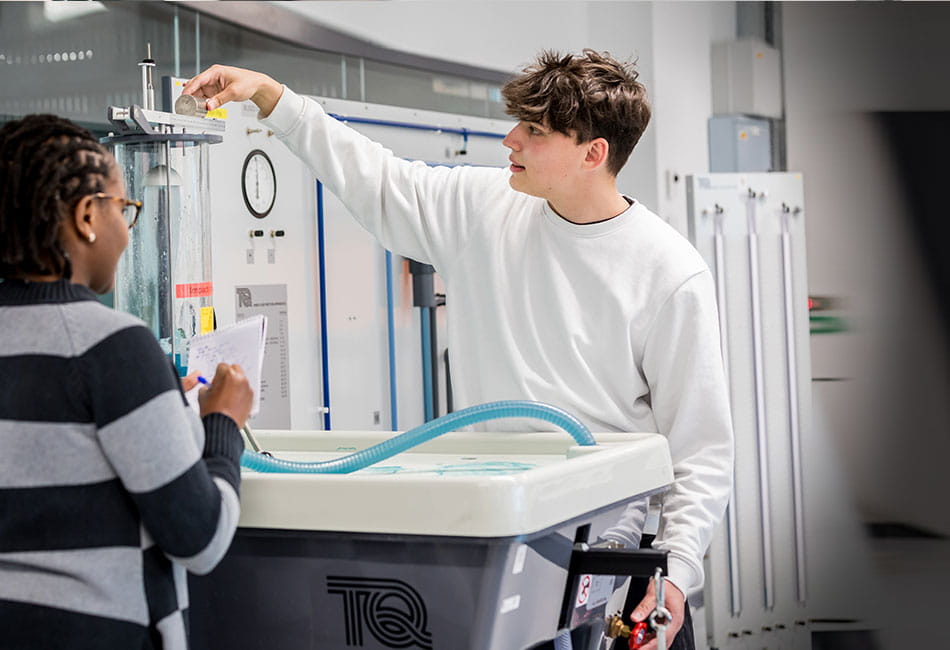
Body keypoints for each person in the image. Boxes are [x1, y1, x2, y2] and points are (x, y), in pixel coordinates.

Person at [183, 49, 733, 649]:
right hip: (506, 539)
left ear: (593, 153)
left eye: (535, 131)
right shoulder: (483, 208)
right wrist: (271, 97)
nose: (510, 140)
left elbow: (700, 449)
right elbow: (374, 177)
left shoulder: (668, 272)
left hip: (610, 556)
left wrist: (677, 574)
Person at [0, 114, 253, 649]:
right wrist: (222, 423)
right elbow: (199, 536)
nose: (127, 229)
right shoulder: (111, 345)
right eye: (125, 209)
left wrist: (159, 401)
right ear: (87, 215)